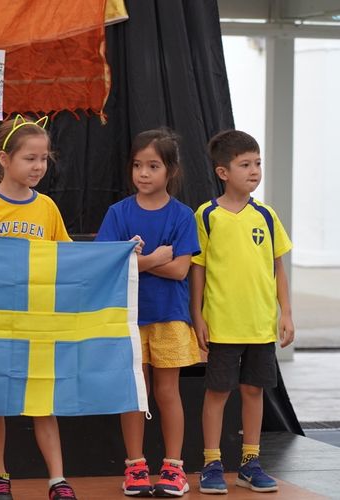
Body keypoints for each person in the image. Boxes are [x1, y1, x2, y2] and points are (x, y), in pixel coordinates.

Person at [0, 115, 77, 500]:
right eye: (30, 158)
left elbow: (70, 259)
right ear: (4, 159)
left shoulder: (47, 208)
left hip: (36, 320)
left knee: (42, 400)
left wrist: (123, 255)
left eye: (44, 159)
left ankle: (57, 479)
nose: (38, 166)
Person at [95, 128, 201, 497]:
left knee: (167, 391)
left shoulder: (182, 215)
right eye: (138, 165)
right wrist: (155, 258)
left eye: (153, 166)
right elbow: (107, 264)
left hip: (169, 315)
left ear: (171, 170)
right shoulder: (118, 213)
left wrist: (135, 261)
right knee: (133, 391)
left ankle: (174, 468)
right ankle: (135, 467)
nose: (143, 173)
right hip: (128, 317)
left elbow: (181, 270)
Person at [190, 130, 294, 494]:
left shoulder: (266, 215)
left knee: (253, 391)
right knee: (217, 392)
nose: (254, 171)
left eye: (258, 163)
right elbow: (198, 269)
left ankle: (251, 463)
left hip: (260, 325)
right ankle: (212, 463)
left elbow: (278, 266)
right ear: (223, 172)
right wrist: (197, 316)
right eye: (245, 164)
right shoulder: (207, 215)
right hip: (222, 325)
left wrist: (286, 313)